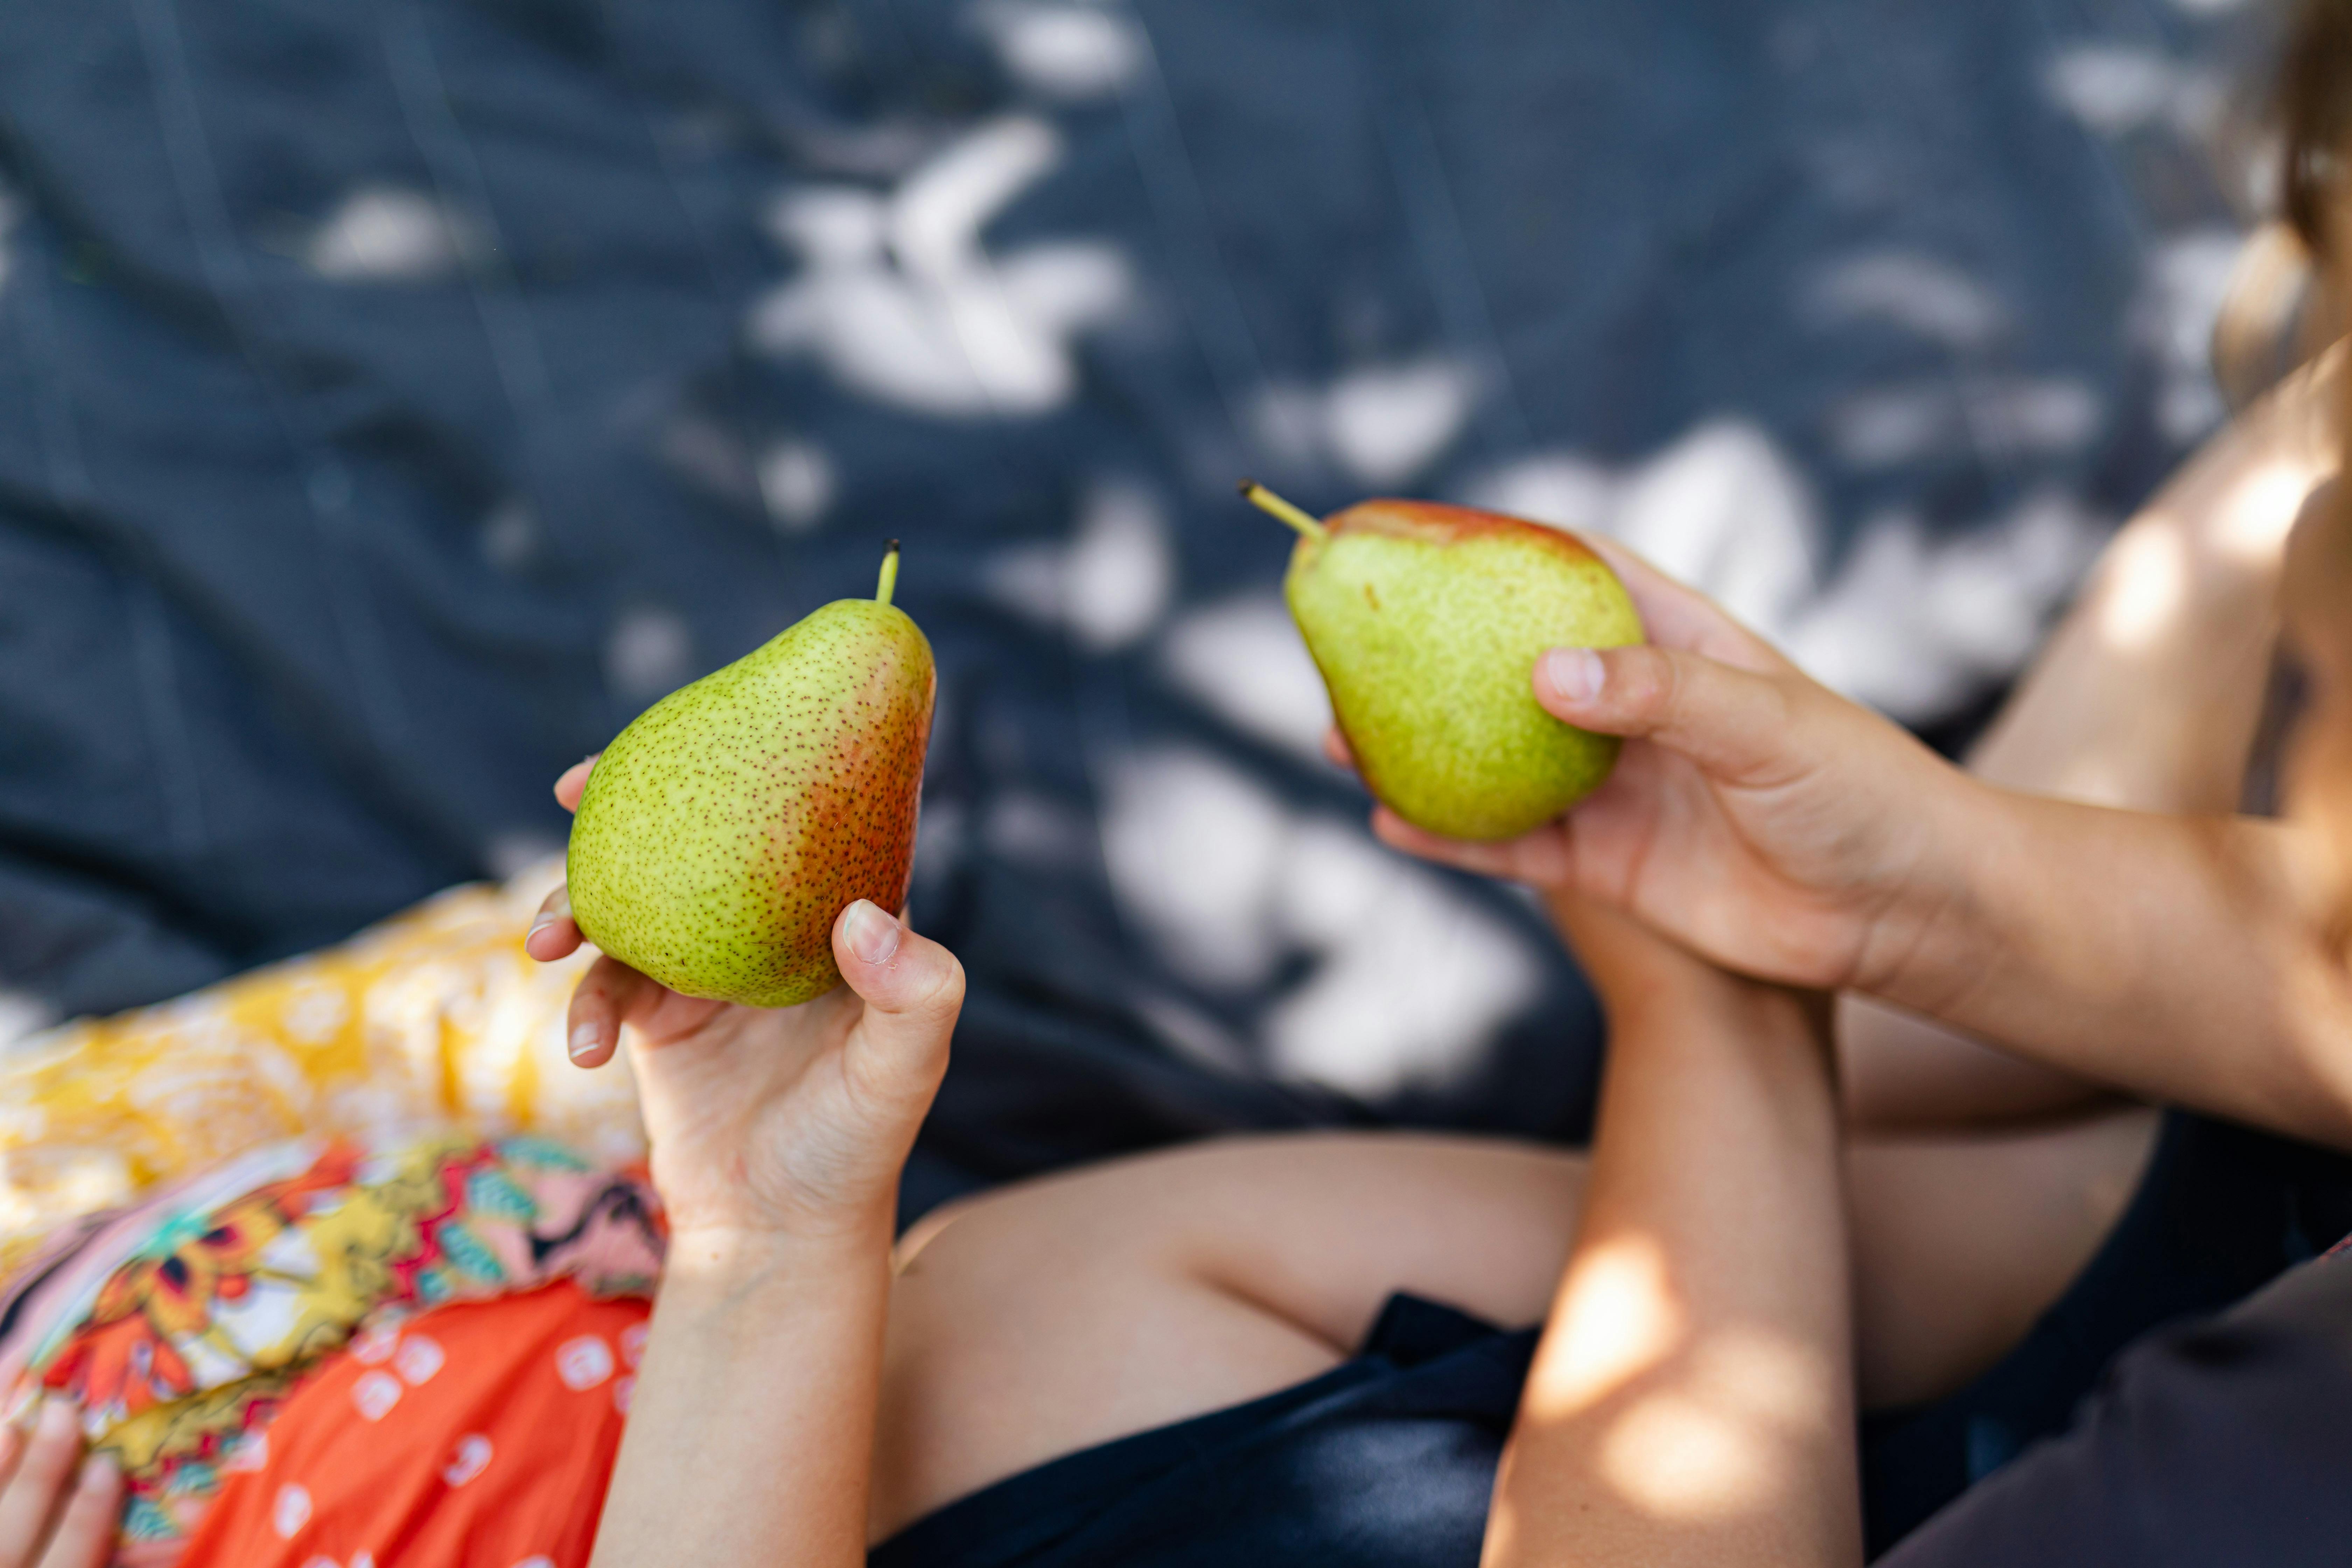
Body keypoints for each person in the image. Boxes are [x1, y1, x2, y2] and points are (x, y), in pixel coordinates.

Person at [2, 14, 2351, 1568]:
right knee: (1923, 1126)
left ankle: (2259, 511)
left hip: (914, 1356)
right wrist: (1709, 985)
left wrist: (757, 1255)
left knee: (1955, 1130)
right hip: (1389, 1399)